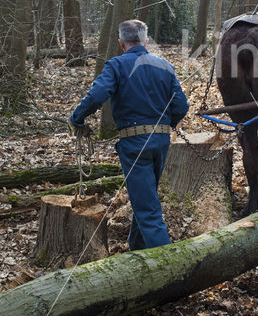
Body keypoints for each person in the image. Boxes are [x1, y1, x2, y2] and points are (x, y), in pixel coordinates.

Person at [69, 19, 189, 251]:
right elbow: (182, 106)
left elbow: (97, 95)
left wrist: (77, 118)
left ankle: (168, 267)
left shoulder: (116, 65)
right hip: (161, 140)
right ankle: (137, 249)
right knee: (145, 198)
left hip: (135, 143)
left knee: (147, 208)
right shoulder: (165, 66)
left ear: (121, 43)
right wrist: (166, 125)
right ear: (145, 40)